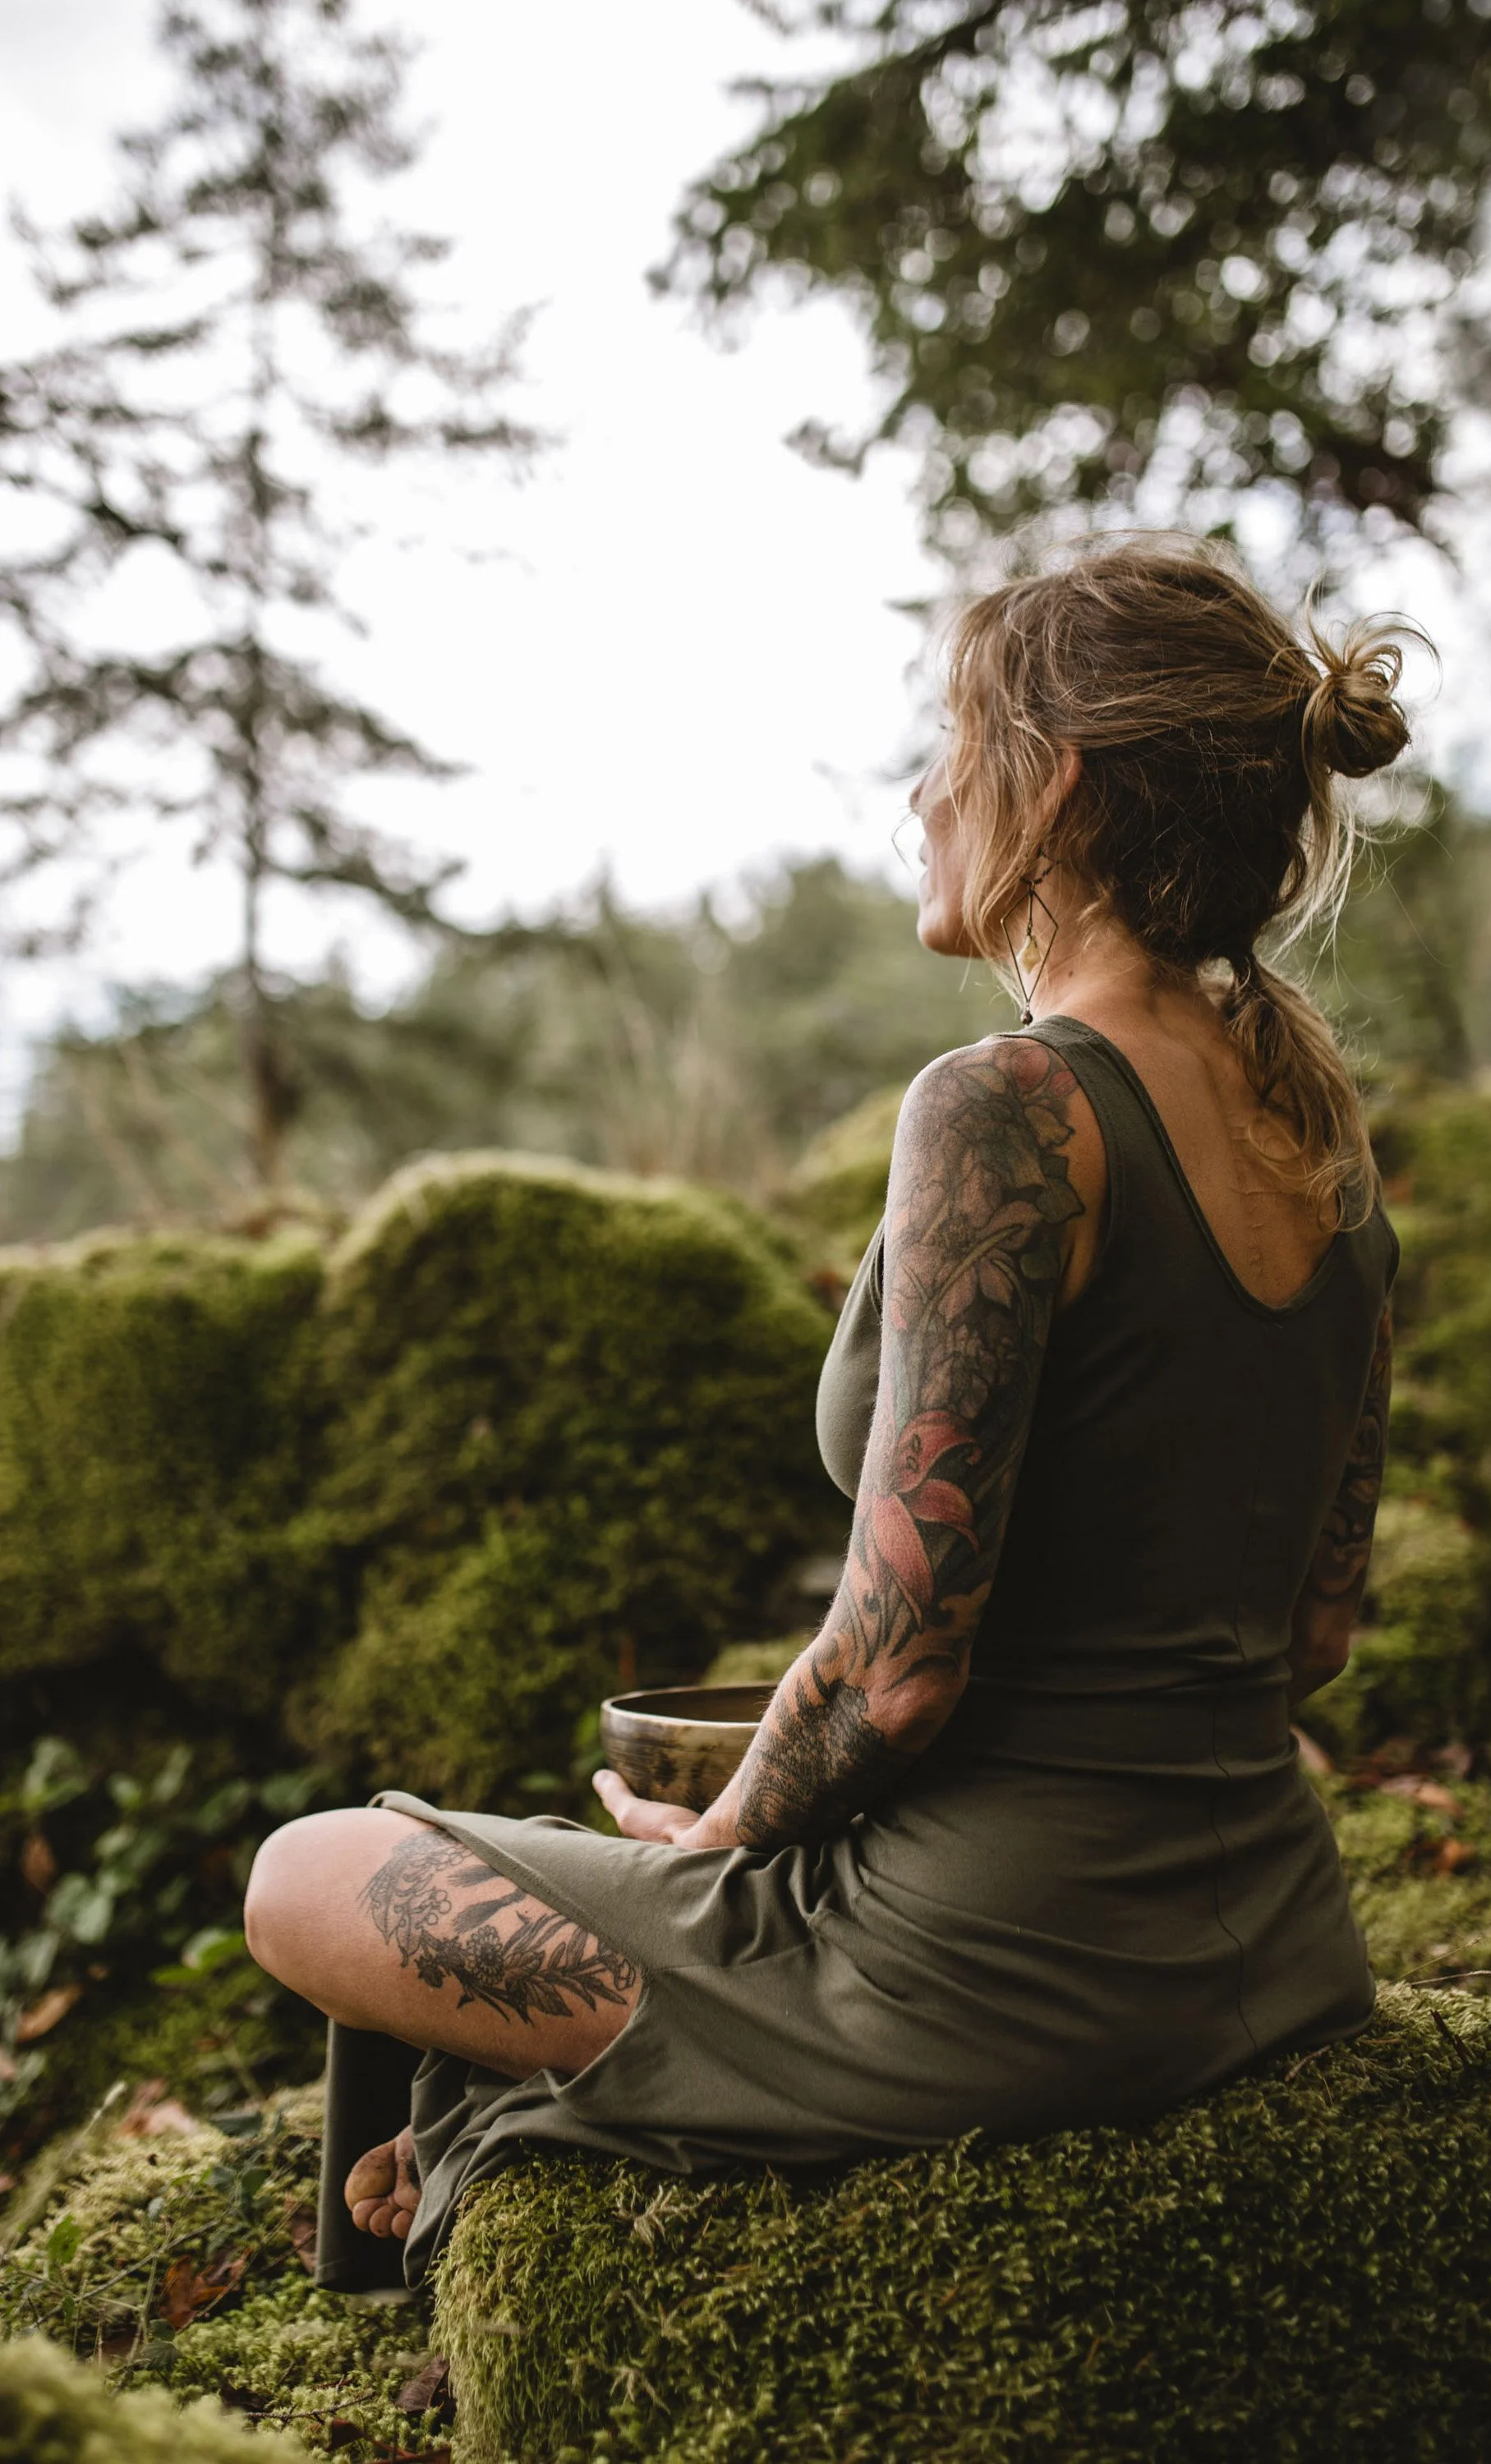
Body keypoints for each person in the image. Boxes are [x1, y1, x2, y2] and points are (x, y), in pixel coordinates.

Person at [245, 533, 1411, 2290]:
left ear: (1056, 784)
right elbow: (1314, 1630)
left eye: (952, 746)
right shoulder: (1318, 1151)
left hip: (990, 1977)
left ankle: (508, 2162)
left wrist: (715, 1845)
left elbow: (895, 1667)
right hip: (1269, 1932)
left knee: (309, 1873)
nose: (926, 796)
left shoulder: (1009, 1107)